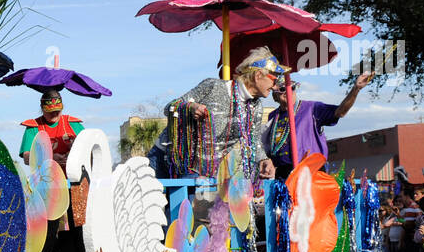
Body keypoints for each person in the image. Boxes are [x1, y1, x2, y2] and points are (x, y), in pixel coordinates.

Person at [149, 46, 281, 181]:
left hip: (198, 170)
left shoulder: (255, 107)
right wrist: (190, 107)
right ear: (258, 75)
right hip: (163, 157)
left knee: (184, 203)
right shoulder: (214, 86)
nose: (276, 86)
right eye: (275, 80)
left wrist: (263, 159)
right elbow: (170, 108)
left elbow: (254, 141)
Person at [19, 90, 87, 252]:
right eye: (50, 112)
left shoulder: (73, 124)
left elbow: (87, 148)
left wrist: (73, 153)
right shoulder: (33, 127)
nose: (54, 115)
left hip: (74, 184)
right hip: (47, 187)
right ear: (42, 109)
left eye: (57, 111)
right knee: (45, 232)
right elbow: (26, 156)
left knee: (79, 228)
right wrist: (49, 158)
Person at [262, 71, 373, 178]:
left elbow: (341, 112)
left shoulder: (312, 108)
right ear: (275, 95)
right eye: (282, 89)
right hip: (281, 173)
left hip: (310, 172)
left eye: (292, 87)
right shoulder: (273, 116)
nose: (288, 91)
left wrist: (356, 89)